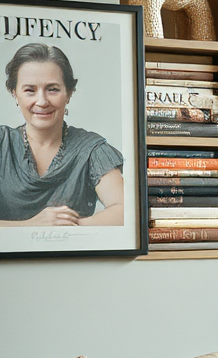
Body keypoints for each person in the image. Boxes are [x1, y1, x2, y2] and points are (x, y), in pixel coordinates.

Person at [0, 44, 125, 227]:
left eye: (52, 89)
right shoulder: (2, 143)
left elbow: (125, 210)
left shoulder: (91, 149)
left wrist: (67, 229)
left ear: (69, 93)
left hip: (72, 255)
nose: (42, 101)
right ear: (14, 94)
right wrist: (31, 226)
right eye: (30, 90)